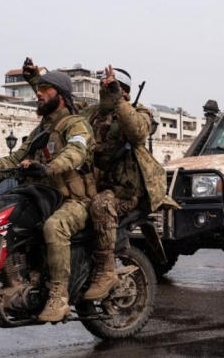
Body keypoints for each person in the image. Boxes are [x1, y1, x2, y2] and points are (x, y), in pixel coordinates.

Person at [22, 60, 175, 302]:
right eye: (102, 85)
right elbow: (62, 102)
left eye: (111, 86)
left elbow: (137, 132)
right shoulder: (91, 113)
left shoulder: (140, 113)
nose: (104, 89)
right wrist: (35, 81)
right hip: (94, 186)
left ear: (123, 90)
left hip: (125, 191)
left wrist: (119, 100)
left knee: (101, 205)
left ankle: (105, 271)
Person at [0, 70, 96, 322]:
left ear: (62, 95)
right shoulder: (40, 130)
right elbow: (16, 156)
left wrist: (50, 167)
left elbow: (76, 151)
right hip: (44, 198)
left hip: (74, 201)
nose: (39, 94)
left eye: (45, 90)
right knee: (5, 216)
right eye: (38, 89)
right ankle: (14, 276)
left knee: (55, 227)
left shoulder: (76, 124)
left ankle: (59, 296)